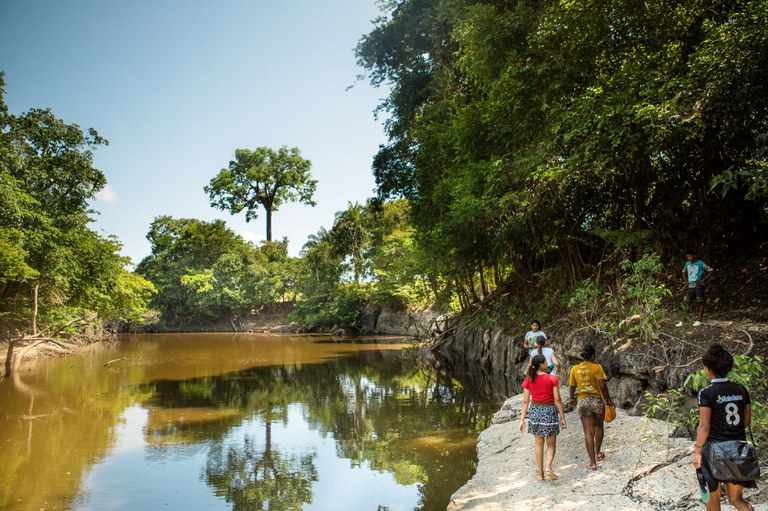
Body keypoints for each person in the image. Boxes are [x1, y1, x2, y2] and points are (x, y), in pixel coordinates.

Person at [693, 344, 755, 511]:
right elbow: (747, 421)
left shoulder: (706, 393)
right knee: (737, 499)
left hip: (713, 452)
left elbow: (704, 426)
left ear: (707, 369)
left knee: (713, 501)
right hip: (738, 450)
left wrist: (697, 452)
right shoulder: (741, 390)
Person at [519, 354, 567, 481]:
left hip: (535, 412)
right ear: (541, 365)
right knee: (551, 444)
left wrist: (522, 420)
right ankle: (548, 467)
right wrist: (562, 417)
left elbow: (525, 402)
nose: (547, 363)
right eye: (546, 361)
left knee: (538, 444)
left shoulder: (529, 379)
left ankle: (540, 475)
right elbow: (557, 399)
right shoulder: (551, 379)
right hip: (549, 412)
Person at [569, 344, 614, 471]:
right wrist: (608, 399)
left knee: (588, 432)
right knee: (598, 427)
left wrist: (572, 398)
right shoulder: (597, 367)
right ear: (593, 356)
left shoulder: (575, 369)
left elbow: (572, 386)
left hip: (583, 401)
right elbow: (603, 386)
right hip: (597, 401)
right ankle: (598, 453)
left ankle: (592, 463)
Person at [676, 250, 714, 327]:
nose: (688, 258)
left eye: (690, 256)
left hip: (699, 285)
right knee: (687, 302)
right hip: (690, 285)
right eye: (687, 256)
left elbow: (711, 270)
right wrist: (685, 281)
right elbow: (683, 272)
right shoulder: (687, 263)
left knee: (700, 301)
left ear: (694, 255)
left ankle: (699, 320)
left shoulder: (701, 263)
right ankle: (684, 320)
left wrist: (704, 279)